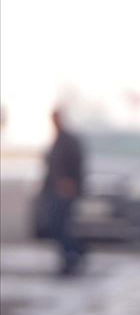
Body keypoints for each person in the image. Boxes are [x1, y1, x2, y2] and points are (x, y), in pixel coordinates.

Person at [41, 108, 85, 276]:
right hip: (54, 191)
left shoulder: (68, 140)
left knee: (62, 227)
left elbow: (77, 164)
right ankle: (77, 253)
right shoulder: (57, 139)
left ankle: (71, 259)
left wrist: (71, 183)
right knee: (57, 226)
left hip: (65, 192)